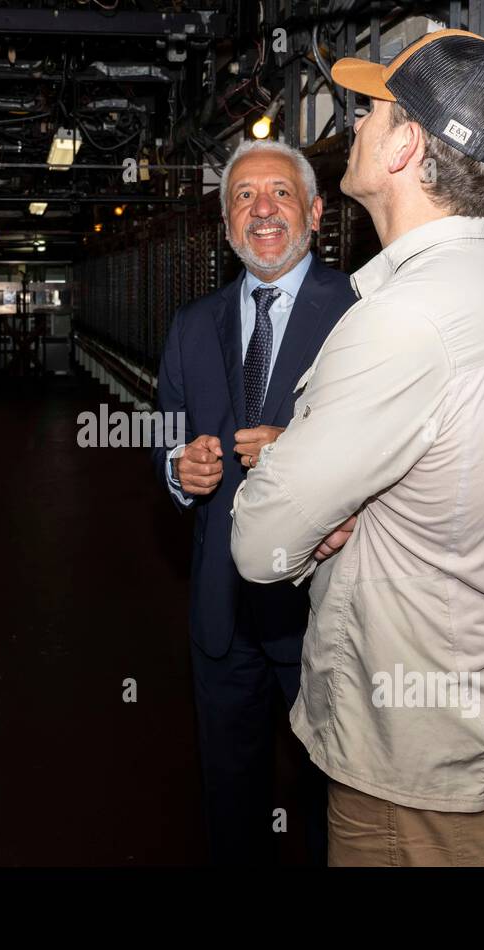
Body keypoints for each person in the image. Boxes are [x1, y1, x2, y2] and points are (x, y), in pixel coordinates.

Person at [230, 28, 484, 866]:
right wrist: (348, 504)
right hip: (480, 751)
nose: (357, 127)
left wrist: (317, 504)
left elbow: (260, 542)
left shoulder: (403, 323)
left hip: (418, 778)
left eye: (373, 112)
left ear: (408, 144)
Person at [152, 138, 357, 864]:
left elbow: (390, 454)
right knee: (230, 795)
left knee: (326, 799)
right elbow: (165, 435)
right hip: (221, 612)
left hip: (320, 612)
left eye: (279, 191)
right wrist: (180, 469)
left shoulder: (361, 313)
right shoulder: (189, 326)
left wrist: (297, 455)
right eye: (243, 196)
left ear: (315, 210)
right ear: (226, 222)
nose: (262, 209)